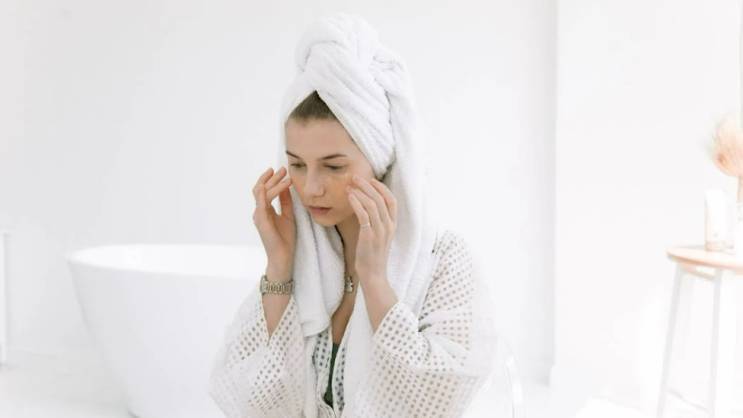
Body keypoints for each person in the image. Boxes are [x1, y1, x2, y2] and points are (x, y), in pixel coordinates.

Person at [208, 12, 497, 418]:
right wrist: (279, 268)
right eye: (297, 164)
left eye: (334, 166)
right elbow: (254, 404)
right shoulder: (306, 258)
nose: (311, 187)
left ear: (378, 161)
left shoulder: (442, 259)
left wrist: (375, 280)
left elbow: (438, 398)